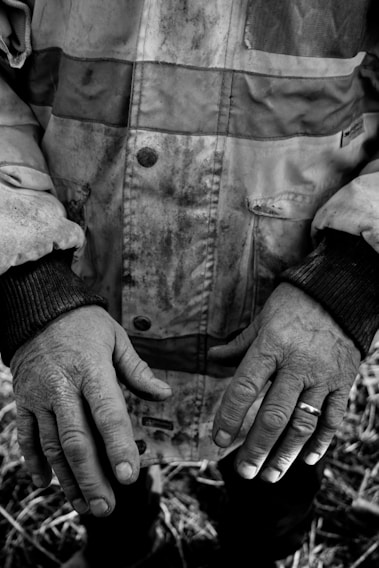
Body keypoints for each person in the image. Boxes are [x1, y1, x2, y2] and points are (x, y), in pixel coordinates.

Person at [0, 1, 379, 566]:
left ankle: (254, 555)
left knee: (275, 484)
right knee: (97, 468)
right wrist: (30, 283)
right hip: (82, 311)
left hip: (288, 319)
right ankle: (119, 547)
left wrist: (352, 279)